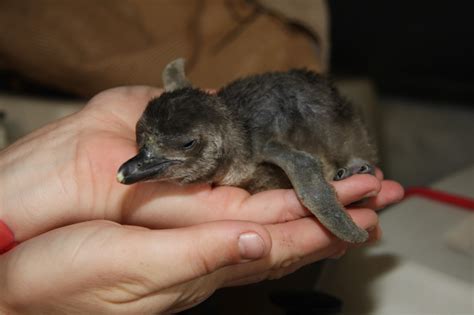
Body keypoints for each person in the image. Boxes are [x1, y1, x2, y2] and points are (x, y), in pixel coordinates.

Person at [0, 86, 404, 314]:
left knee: (342, 163)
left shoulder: (249, 145)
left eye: (187, 145)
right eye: (144, 145)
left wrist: (330, 198)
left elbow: (300, 159)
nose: (138, 165)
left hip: (318, 129)